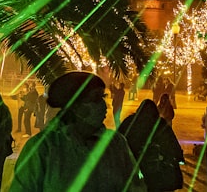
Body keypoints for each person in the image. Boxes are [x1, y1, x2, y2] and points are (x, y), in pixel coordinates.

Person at [9, 71, 144, 192]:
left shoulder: (116, 143)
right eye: (95, 99)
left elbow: (136, 186)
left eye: (103, 97)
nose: (104, 106)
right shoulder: (43, 148)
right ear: (75, 105)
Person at [118, 98, 184, 191]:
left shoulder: (130, 122)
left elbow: (119, 139)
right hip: (156, 169)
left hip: (134, 166)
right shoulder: (160, 124)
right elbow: (171, 141)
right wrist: (179, 156)